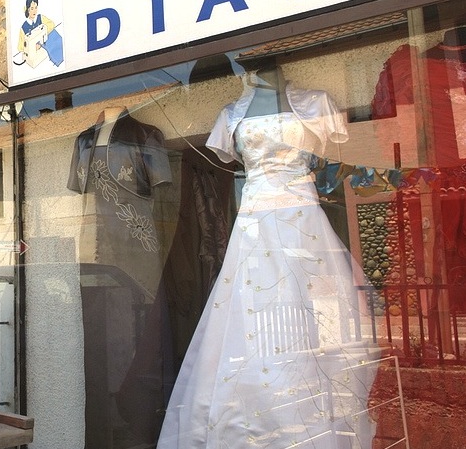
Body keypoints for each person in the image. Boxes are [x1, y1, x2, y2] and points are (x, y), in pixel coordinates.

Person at [157, 64, 379, 448]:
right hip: (253, 224)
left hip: (303, 220)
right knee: (250, 313)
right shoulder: (230, 115)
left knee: (314, 313)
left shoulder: (315, 103)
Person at [16, 0, 64, 67]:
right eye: (32, 8)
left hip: (44, 48)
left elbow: (52, 24)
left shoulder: (41, 18)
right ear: (28, 9)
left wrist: (42, 36)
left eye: (36, 8)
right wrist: (32, 48)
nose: (34, 11)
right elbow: (20, 47)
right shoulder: (23, 28)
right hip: (34, 56)